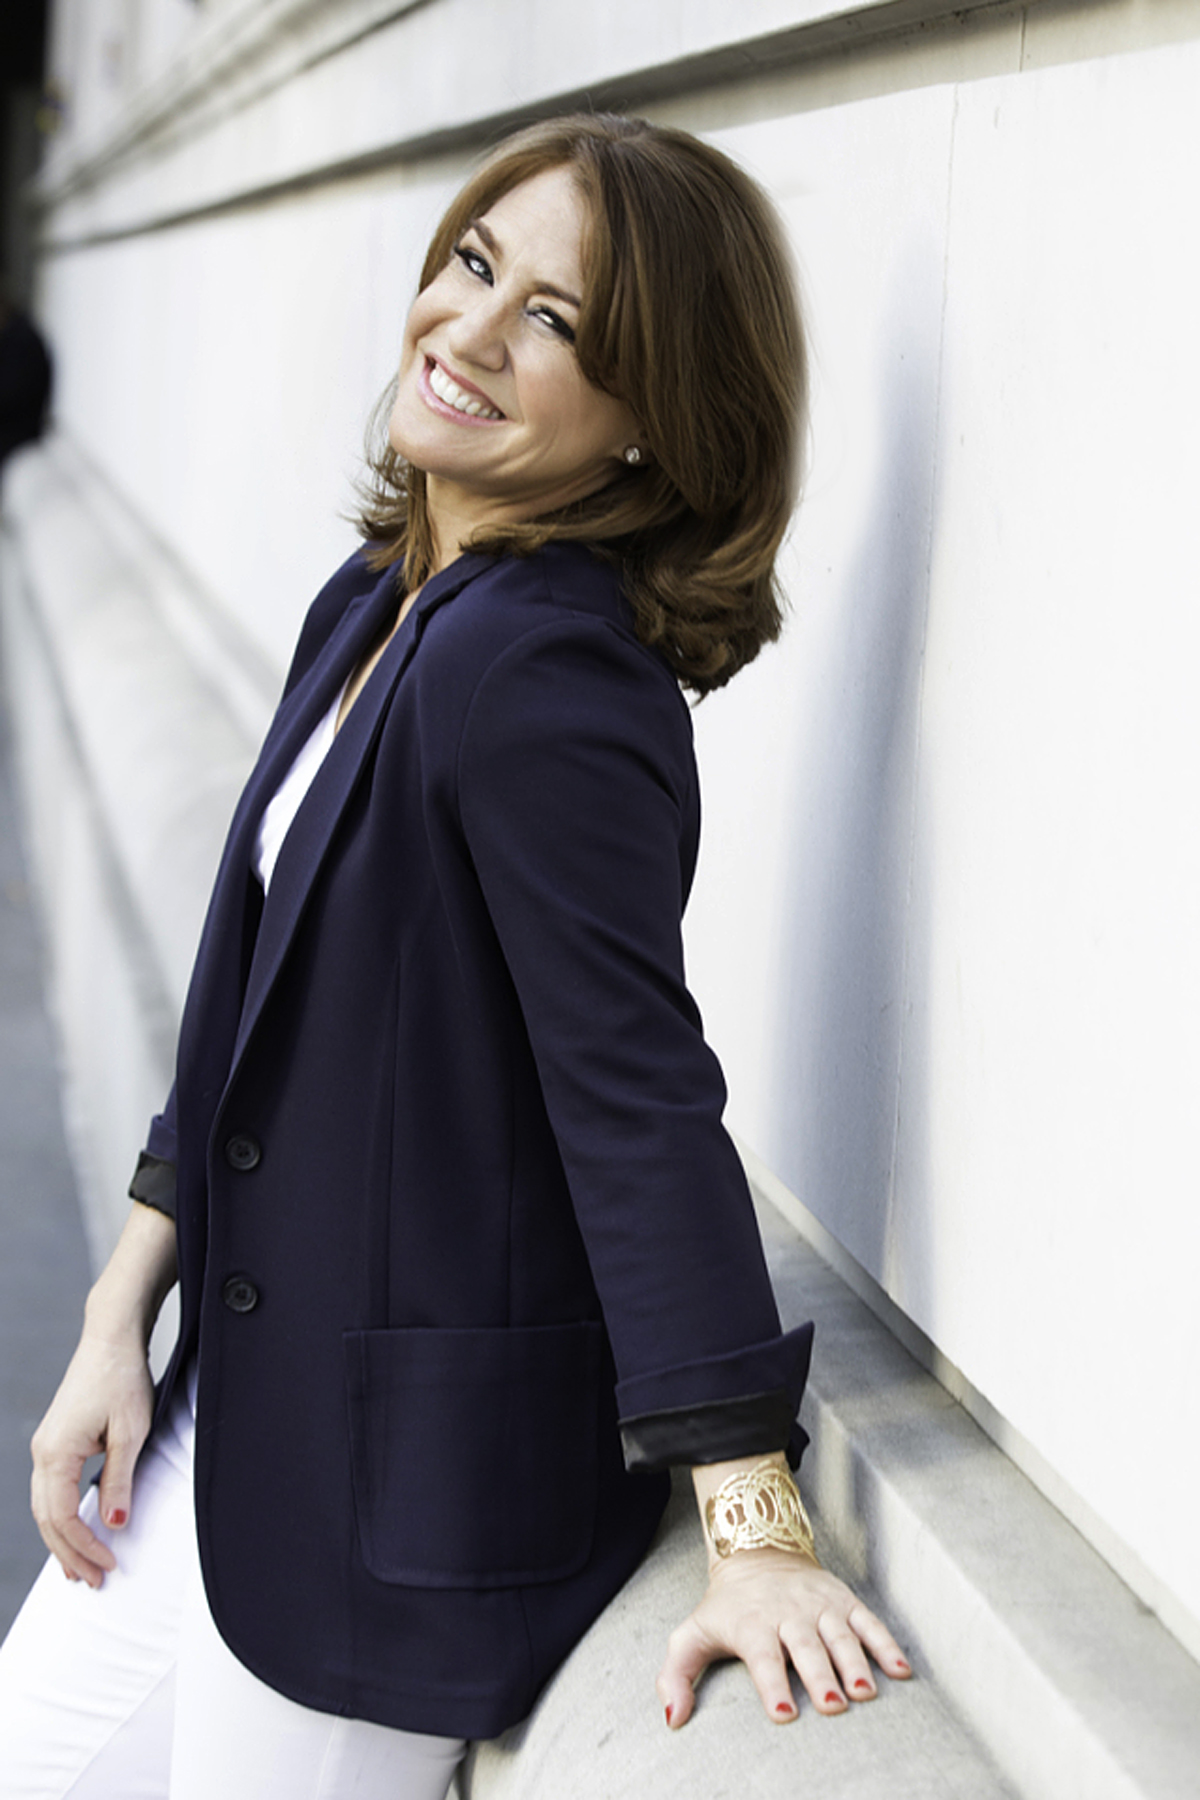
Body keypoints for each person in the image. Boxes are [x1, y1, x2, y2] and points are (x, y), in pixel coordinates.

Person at [0, 114, 910, 1799]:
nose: (472, 330)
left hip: (394, 1522)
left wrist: (753, 1520)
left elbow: (635, 1100)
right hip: (233, 1423)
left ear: (651, 424)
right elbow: (247, 1018)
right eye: (476, 265)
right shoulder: (382, 596)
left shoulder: (544, 677)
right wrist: (120, 1314)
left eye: (553, 322)